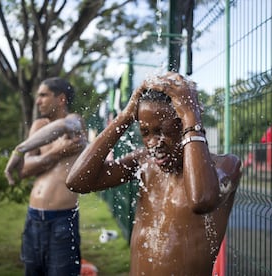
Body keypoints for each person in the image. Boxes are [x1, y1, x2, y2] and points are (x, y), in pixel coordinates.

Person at [66, 72, 241, 275]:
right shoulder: (145, 163)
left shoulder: (225, 165)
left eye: (163, 131)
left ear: (187, 122)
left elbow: (201, 200)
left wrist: (192, 116)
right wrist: (124, 117)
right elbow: (77, 182)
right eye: (145, 133)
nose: (153, 144)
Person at [4, 77, 88, 276]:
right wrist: (55, 153)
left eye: (43, 95)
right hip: (33, 217)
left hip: (62, 219)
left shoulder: (75, 121)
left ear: (61, 99)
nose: (37, 101)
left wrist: (21, 149)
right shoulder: (38, 126)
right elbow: (24, 170)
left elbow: (64, 127)